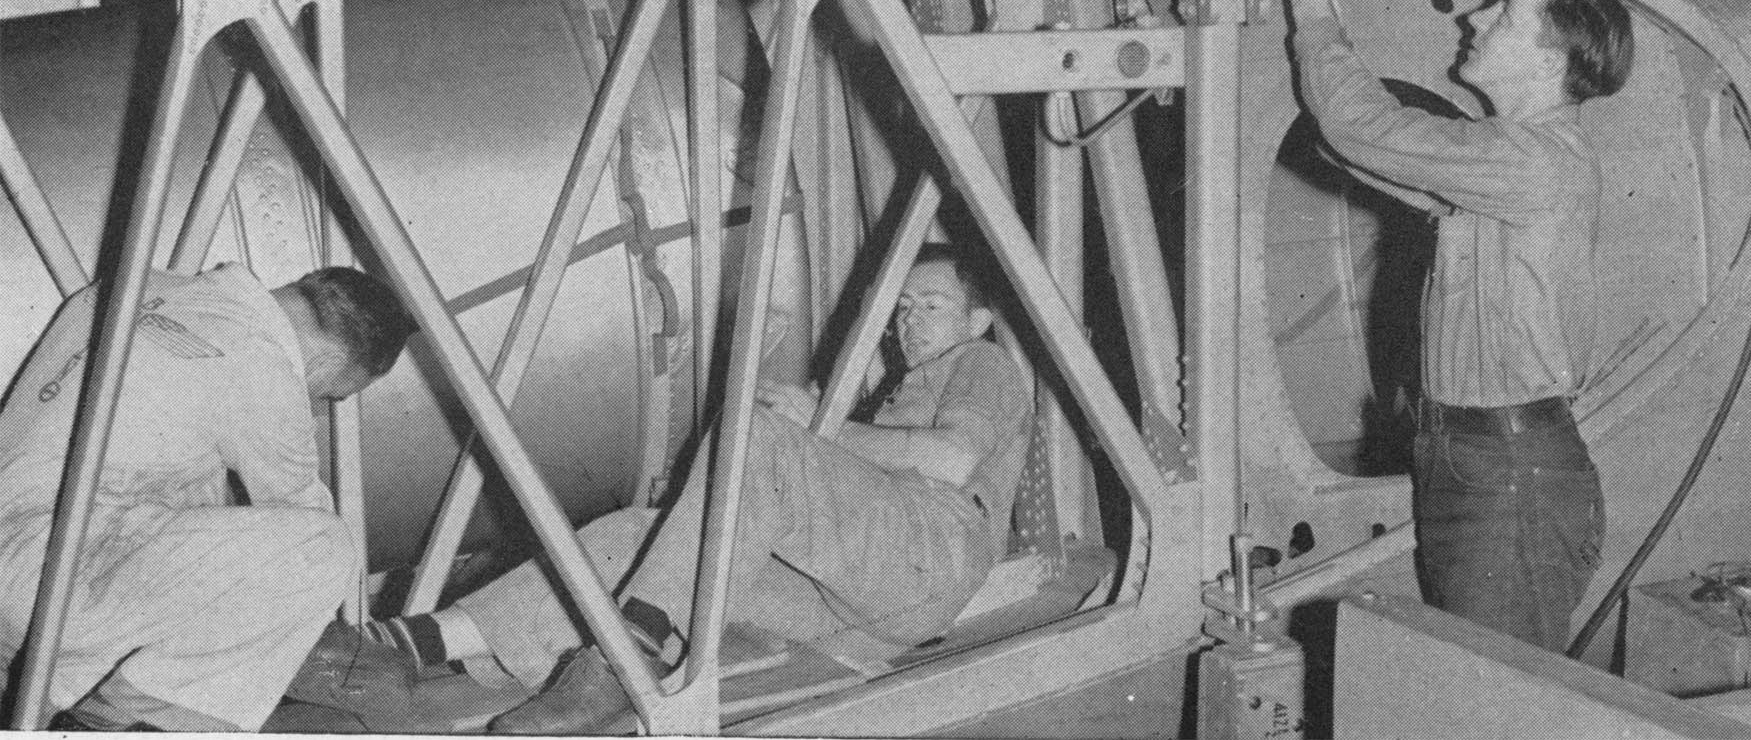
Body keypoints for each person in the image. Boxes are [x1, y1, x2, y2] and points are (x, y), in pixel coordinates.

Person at [383, 243, 1031, 734]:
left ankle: (627, 660)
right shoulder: (892, 382)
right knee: (640, 537)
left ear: (978, 320)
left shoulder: (983, 363)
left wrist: (821, 424)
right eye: (903, 308)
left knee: (759, 437)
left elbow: (951, 458)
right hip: (854, 613)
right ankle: (405, 648)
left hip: (931, 550)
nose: (910, 322)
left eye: (932, 306)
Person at [1279, 0, 1634, 651]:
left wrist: (1312, 5)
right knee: (1471, 679)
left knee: (1494, 695)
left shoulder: (1530, 160)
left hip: (1506, 474)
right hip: (1476, 459)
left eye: (1503, 12)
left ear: (1550, 58)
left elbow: (1359, 128)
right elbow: (1364, 149)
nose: (1474, 18)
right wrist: (1332, 33)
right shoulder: (1503, 162)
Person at [0, 264, 415, 731]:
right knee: (323, 547)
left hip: (28, 579)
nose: (316, 402)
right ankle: (129, 722)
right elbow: (300, 515)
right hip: (51, 589)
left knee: (199, 487)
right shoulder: (260, 363)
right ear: (326, 363)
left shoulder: (131, 287)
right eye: (331, 395)